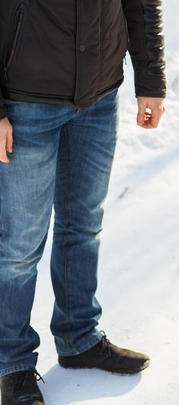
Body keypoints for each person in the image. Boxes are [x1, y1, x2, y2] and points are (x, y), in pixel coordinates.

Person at [0, 1, 166, 404]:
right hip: (25, 101)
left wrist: (151, 80)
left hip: (98, 96)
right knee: (20, 246)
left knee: (84, 225)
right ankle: (12, 364)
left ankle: (79, 337)